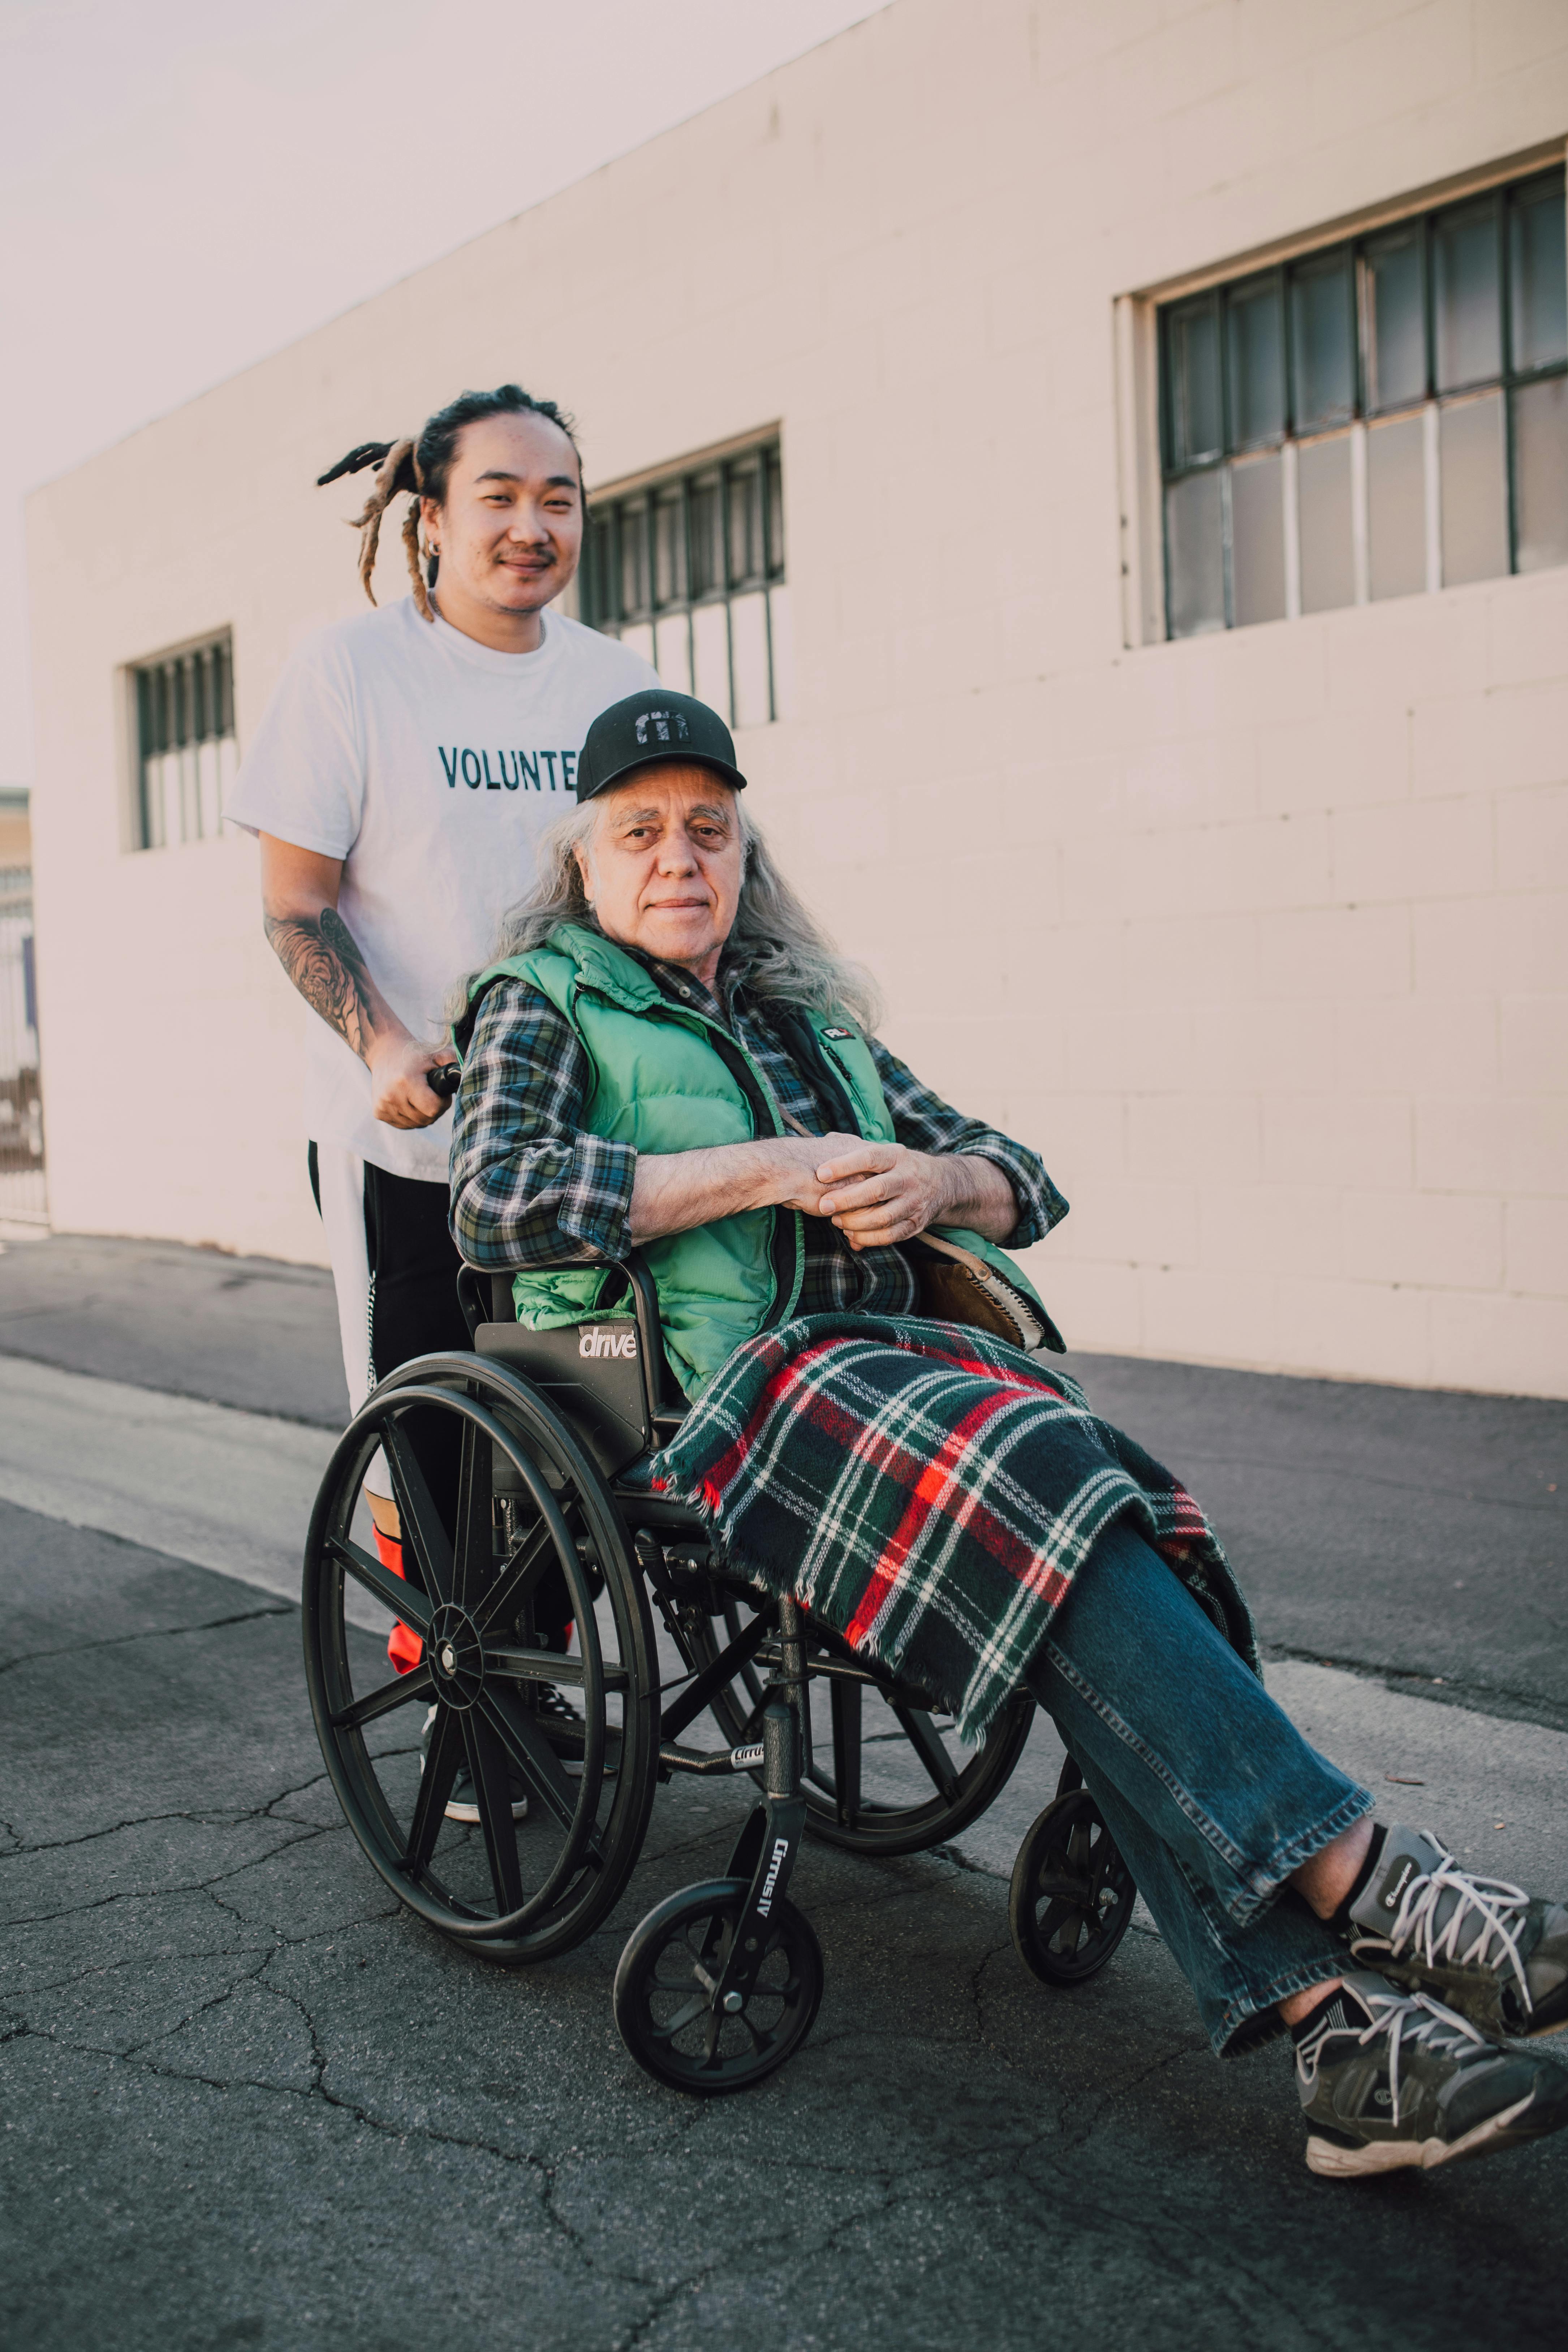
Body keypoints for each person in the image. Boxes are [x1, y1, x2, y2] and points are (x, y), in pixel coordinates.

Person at [447, 685, 1568, 2179]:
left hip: (906, 1364)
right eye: (639, 831)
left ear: (744, 854)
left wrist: (931, 1186)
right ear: (582, 862)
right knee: (1041, 1486)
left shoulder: (806, 1012)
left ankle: (1338, 2042)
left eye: (707, 829)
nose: (677, 857)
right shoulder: (542, 998)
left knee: (1122, 1507)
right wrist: (762, 1167)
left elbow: (1022, 1177)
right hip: (722, 1396)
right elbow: (496, 1196)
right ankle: (1376, 1880)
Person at [227, 383, 656, 1816]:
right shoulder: (352, 671)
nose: (532, 527)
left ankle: (537, 1680)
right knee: (436, 1441)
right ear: (429, 516)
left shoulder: (609, 680)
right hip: (404, 1144)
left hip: (572, 1154)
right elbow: (294, 908)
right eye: (500, 497)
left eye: (559, 499)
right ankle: (476, 1713)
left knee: (585, 1430)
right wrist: (384, 1045)